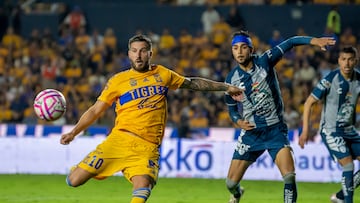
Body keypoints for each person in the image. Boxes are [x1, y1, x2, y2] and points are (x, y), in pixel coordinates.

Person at [59, 34, 244, 203]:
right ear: (129, 54)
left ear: (150, 54)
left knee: (142, 188)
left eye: (142, 51)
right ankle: (78, 168)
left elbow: (193, 83)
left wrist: (226, 87)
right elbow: (95, 110)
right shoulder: (118, 81)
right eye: (134, 51)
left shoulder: (162, 74)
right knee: (73, 181)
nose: (138, 55)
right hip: (118, 141)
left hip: (147, 148)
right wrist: (74, 132)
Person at [224, 30, 335, 203]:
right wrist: (238, 121)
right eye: (235, 48)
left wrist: (315, 41)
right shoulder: (231, 79)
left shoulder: (265, 61)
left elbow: (291, 41)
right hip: (251, 134)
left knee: (289, 176)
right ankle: (237, 194)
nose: (239, 52)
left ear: (251, 49)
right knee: (230, 183)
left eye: (243, 47)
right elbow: (231, 108)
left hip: (275, 130)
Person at [299, 46, 360, 203]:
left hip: (350, 130)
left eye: (350, 59)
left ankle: (340, 196)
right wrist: (305, 130)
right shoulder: (330, 79)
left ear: (355, 61)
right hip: (331, 131)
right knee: (348, 166)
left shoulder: (358, 78)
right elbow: (308, 103)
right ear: (339, 61)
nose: (346, 63)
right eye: (343, 59)